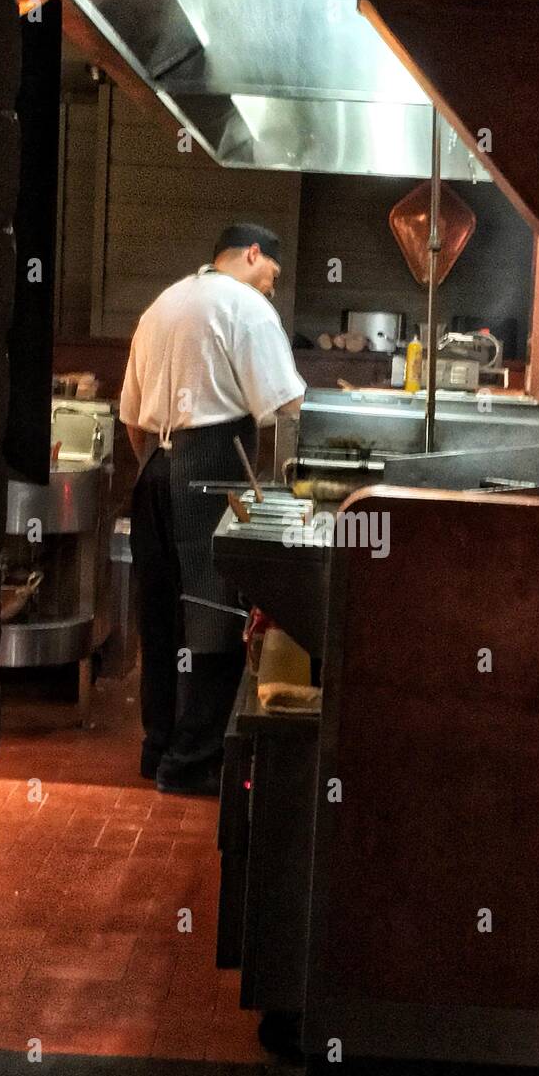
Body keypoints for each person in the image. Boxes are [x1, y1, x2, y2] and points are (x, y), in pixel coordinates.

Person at [120, 224, 305, 795]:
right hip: (212, 469)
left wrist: (163, 470)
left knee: (161, 620)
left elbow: (131, 416)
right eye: (272, 272)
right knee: (215, 617)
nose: (272, 287)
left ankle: (158, 751)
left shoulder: (162, 304)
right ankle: (191, 763)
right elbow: (287, 404)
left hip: (154, 469)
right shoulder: (245, 306)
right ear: (253, 255)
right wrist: (282, 484)